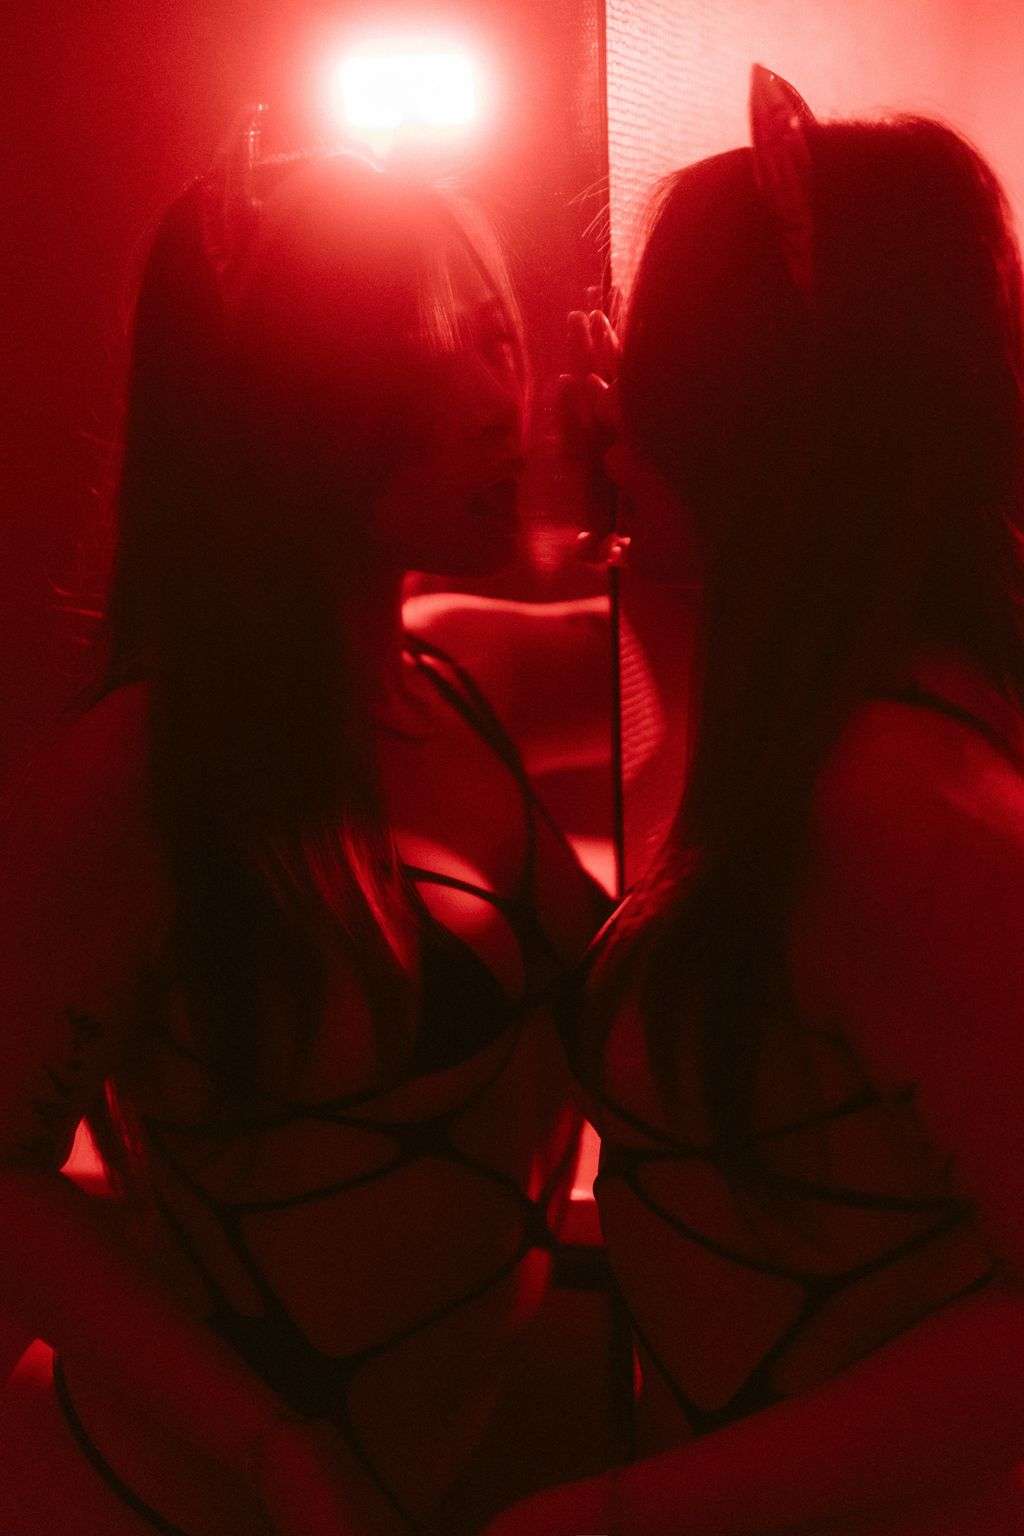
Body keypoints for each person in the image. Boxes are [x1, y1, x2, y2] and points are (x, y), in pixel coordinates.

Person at [0, 140, 611, 1536]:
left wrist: (655, 464)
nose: (495, 400)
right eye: (422, 359)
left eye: (496, 338)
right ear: (277, 421)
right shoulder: (149, 770)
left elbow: (754, 656)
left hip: (399, 1487)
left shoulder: (457, 678)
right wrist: (269, 1444)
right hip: (151, 1502)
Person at [483, 67, 1024, 1536]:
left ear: (743, 411)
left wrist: (617, 1513)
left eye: (654, 362)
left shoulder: (894, 806)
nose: (612, 411)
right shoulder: (850, 726)